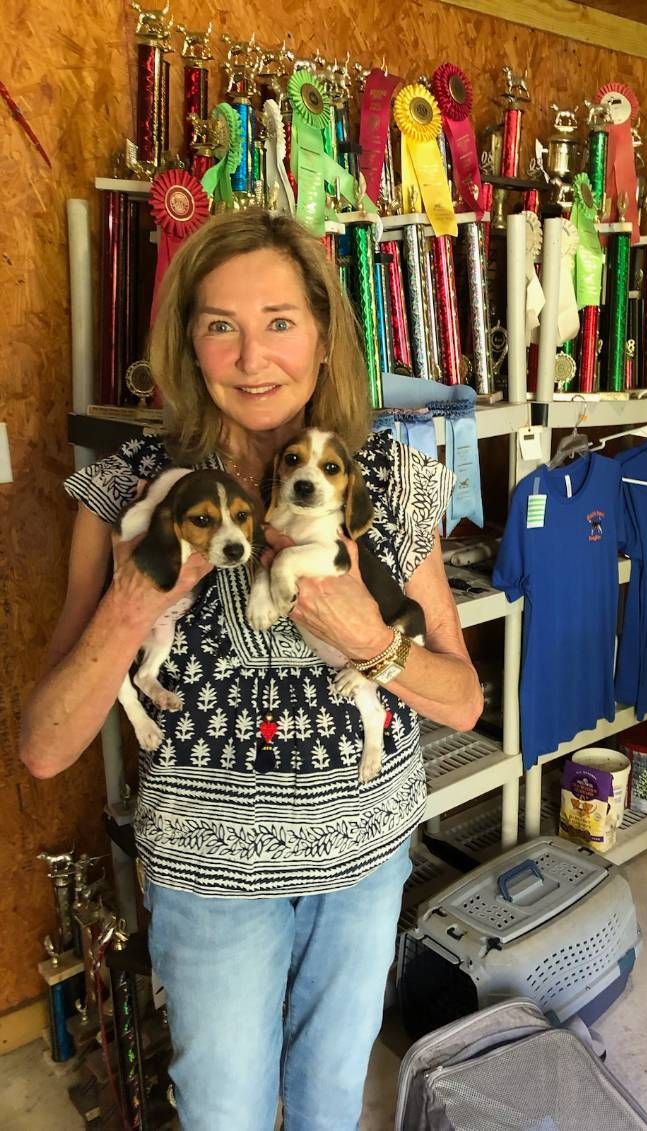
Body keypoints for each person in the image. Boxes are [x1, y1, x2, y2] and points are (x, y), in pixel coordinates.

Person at [19, 209, 483, 1130]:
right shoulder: (128, 490)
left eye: (279, 321)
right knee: (224, 1113)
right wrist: (130, 604)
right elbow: (43, 746)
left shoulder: (387, 478)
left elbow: (464, 699)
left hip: (364, 862)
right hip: (209, 882)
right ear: (187, 346)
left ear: (320, 336)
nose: (252, 356)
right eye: (220, 325)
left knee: (326, 1103)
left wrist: (372, 639)